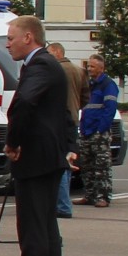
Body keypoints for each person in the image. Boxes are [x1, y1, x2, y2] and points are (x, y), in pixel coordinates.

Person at [0, 15, 78, 256]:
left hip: (36, 158)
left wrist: (13, 141)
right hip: (49, 157)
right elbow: (65, 113)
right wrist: (69, 146)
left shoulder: (40, 65)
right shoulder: (47, 65)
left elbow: (26, 103)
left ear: (28, 38)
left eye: (11, 38)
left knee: (33, 232)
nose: (7, 43)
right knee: (47, 231)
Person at [48, 42, 85, 217]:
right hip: (74, 117)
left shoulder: (55, 70)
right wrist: (76, 106)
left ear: (57, 52)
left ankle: (62, 204)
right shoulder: (79, 70)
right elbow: (87, 95)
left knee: (61, 163)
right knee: (69, 159)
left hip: (59, 117)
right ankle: (64, 201)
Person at [78, 54, 120, 207]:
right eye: (88, 66)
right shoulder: (89, 85)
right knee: (87, 165)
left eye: (92, 66)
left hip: (99, 132)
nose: (89, 69)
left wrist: (101, 130)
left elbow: (109, 110)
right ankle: (89, 195)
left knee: (101, 166)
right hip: (86, 131)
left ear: (101, 68)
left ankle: (103, 197)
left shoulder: (108, 85)